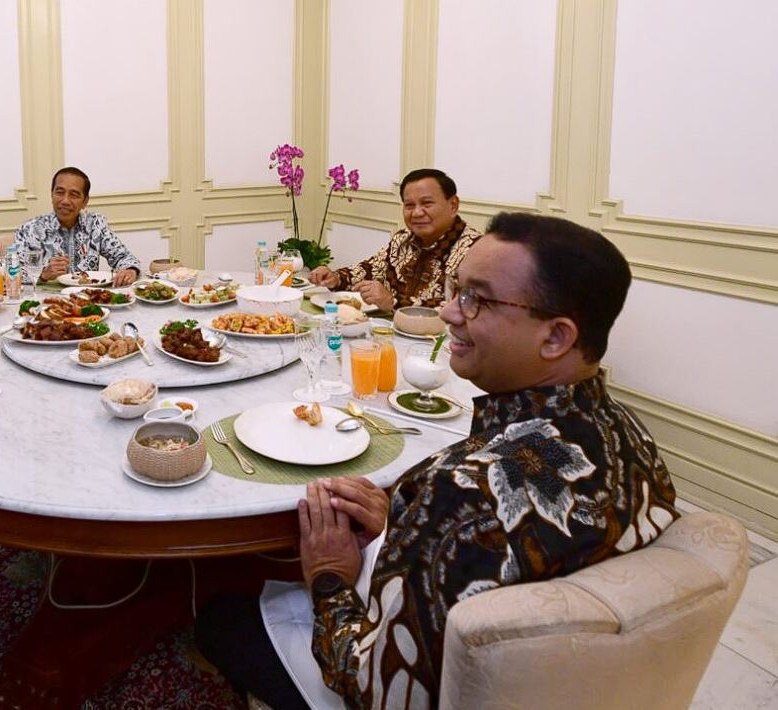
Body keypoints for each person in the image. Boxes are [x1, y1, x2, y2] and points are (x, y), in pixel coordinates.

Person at [197, 213, 680, 709]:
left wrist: (329, 578)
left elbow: (377, 688)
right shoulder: (629, 433)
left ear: (556, 338)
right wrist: (408, 531)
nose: (449, 313)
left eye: (477, 299)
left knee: (219, 615)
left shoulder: (461, 489)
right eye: (455, 291)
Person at [308, 168, 481, 311]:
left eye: (427, 204)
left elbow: (465, 307)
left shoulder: (477, 251)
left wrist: (393, 302)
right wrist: (336, 277)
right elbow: (371, 269)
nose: (417, 213)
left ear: (453, 205)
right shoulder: (403, 239)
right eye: (409, 205)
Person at [13, 166, 142, 286]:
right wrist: (43, 274)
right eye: (59, 192)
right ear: (51, 195)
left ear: (85, 201)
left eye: (74, 195)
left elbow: (124, 257)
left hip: (88, 301)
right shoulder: (30, 230)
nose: (65, 201)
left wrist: (130, 270)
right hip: (46, 303)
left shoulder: (95, 225)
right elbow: (12, 274)